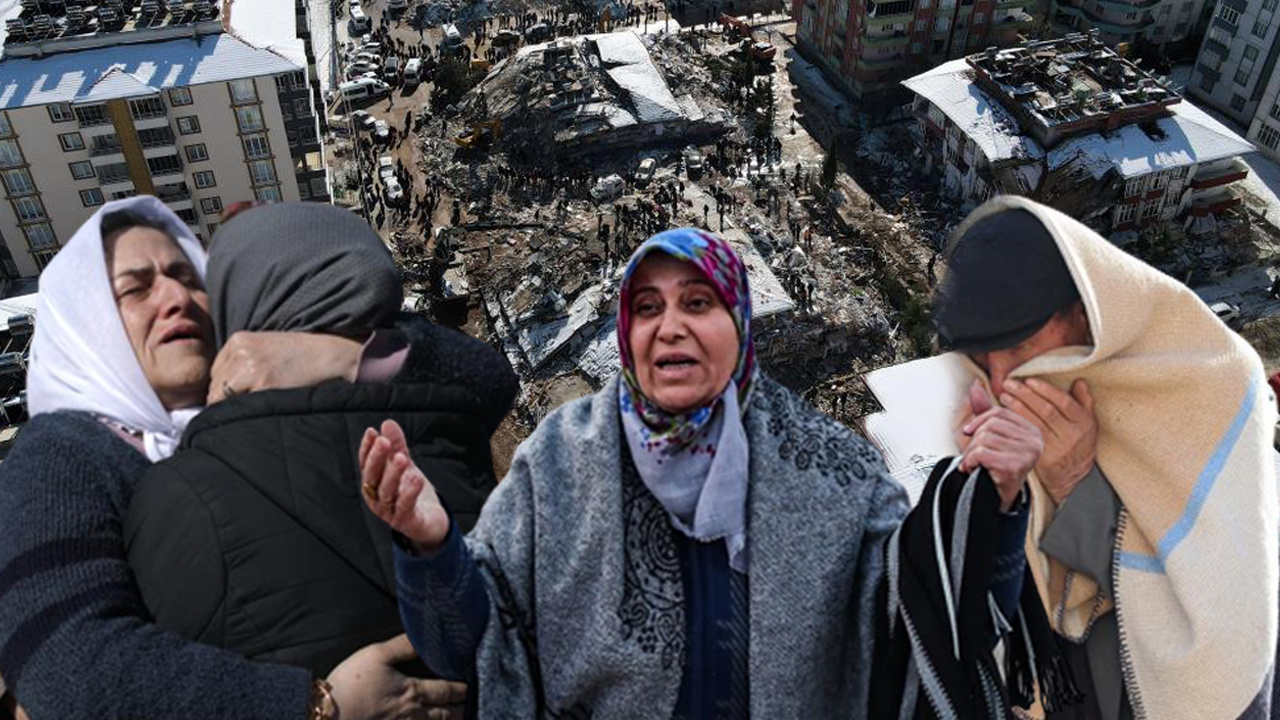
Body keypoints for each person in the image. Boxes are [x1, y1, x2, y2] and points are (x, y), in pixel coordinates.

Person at [362, 228, 1065, 718]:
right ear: (625, 335)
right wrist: (430, 548)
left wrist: (986, 503)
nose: (671, 327)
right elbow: (467, 649)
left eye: (698, 304)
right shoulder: (559, 465)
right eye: (648, 307)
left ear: (740, 325)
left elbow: (936, 624)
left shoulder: (828, 468)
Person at [0, 197, 495, 720]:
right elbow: (66, 665)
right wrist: (317, 704)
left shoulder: (257, 396)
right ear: (86, 323)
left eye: (190, 277)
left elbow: (487, 379)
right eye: (136, 288)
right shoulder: (63, 454)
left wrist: (342, 355)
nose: (177, 298)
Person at [123, 202, 515, 680]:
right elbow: (492, 374)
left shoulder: (167, 494)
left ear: (237, 300)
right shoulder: (453, 422)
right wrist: (352, 353)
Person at [933, 196, 1279, 720]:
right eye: (984, 357)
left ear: (1084, 310)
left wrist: (1075, 485)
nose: (1003, 380)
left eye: (1022, 344)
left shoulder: (1210, 382)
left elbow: (1218, 623)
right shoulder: (993, 397)